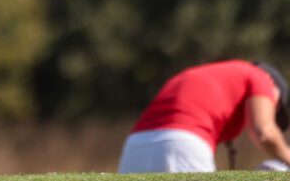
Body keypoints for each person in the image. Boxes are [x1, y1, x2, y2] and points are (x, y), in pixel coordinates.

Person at [118, 59, 290, 173]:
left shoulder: (201, 74)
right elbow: (265, 132)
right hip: (180, 147)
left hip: (135, 147)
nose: (273, 111)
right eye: (277, 107)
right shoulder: (260, 77)